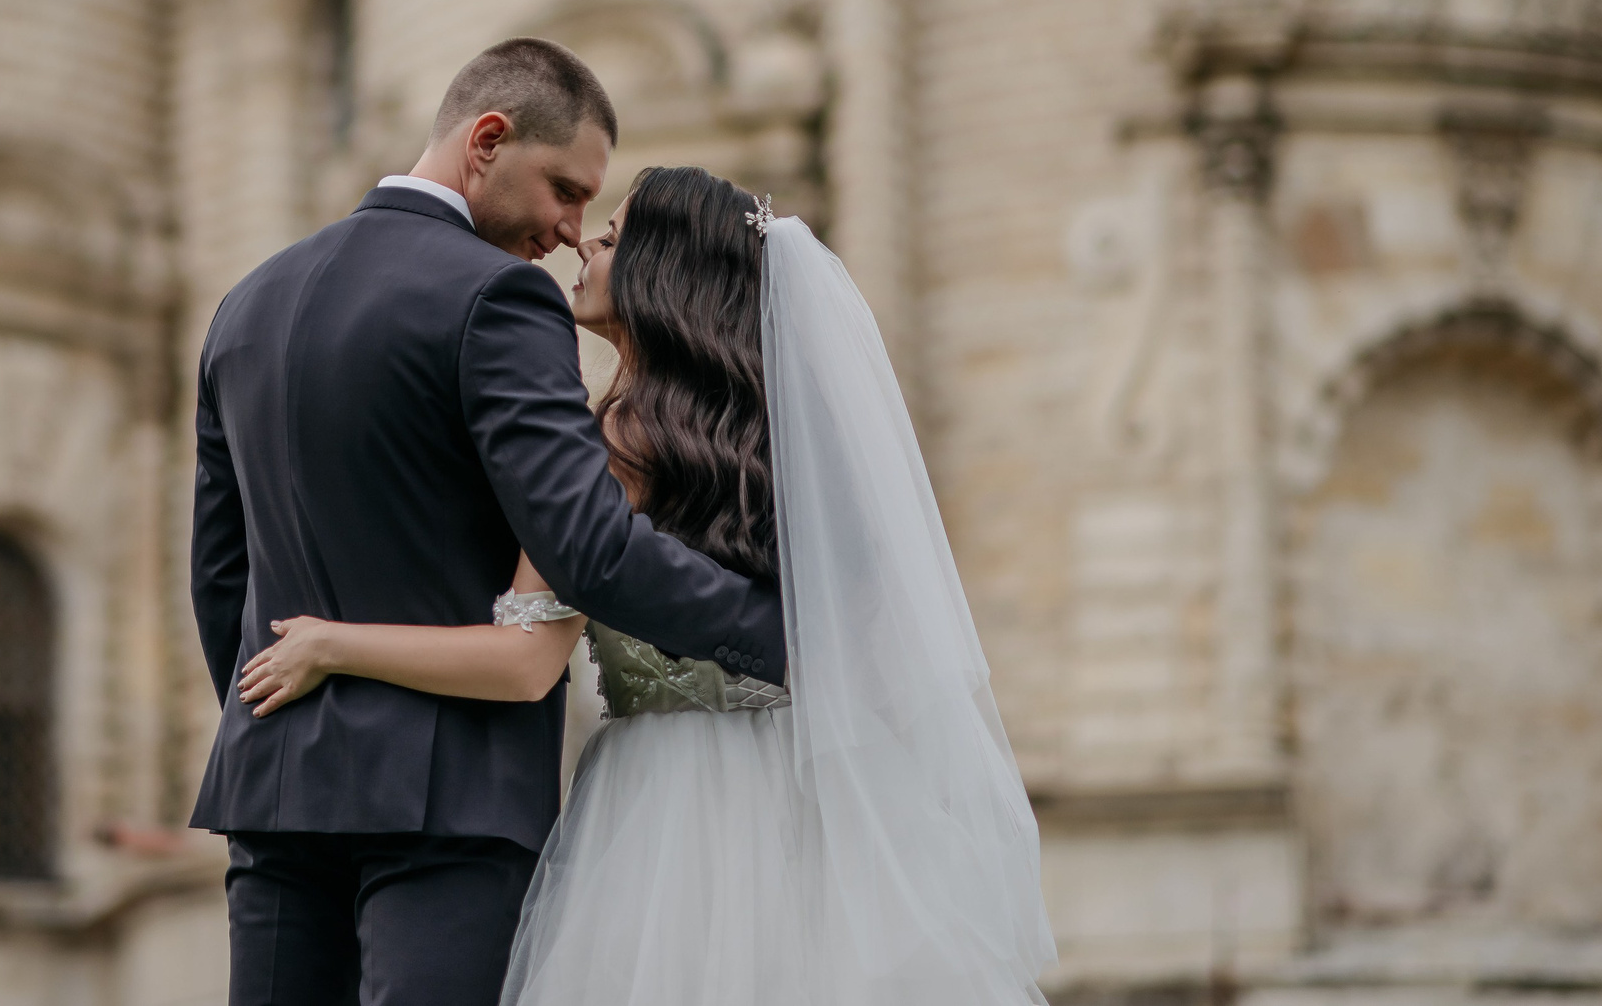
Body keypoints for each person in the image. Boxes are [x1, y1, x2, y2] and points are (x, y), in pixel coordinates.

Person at [239, 165, 1058, 1006]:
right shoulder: (787, 448)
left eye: (618, 233)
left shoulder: (614, 441)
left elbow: (525, 664)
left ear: (666, 272)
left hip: (670, 814)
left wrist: (332, 643)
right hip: (817, 801)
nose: (585, 239)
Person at [189, 43, 789, 1006]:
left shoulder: (244, 305)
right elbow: (587, 547)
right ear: (487, 141)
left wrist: (278, 718)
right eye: (563, 189)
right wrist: (787, 634)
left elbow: (221, 574)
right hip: (450, 800)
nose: (567, 230)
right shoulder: (496, 297)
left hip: (273, 792)